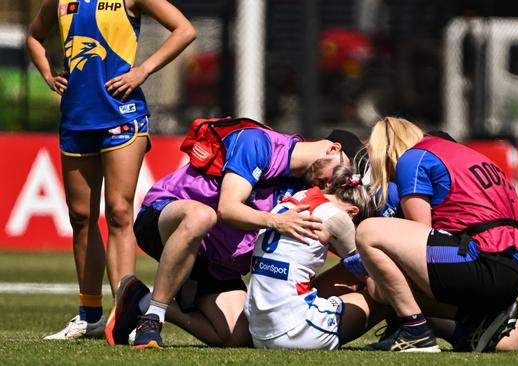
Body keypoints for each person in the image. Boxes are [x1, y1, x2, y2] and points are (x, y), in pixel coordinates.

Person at [107, 120, 364, 348]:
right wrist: (276, 221)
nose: (334, 185)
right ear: (333, 149)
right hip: (166, 218)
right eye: (339, 175)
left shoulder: (305, 185)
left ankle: (139, 299)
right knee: (201, 216)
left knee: (237, 336)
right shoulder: (258, 142)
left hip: (214, 257)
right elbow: (227, 209)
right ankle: (153, 317)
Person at [27, 0, 196, 340]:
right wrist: (47, 74)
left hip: (123, 115)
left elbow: (185, 30)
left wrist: (143, 70)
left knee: (119, 211)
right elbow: (34, 36)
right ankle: (89, 316)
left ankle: (127, 315)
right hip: (76, 119)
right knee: (81, 218)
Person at [354, 117, 518, 352]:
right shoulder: (464, 154)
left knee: (370, 236)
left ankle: (414, 331)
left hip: (481, 260)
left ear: (386, 150)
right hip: (514, 267)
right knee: (509, 341)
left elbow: (420, 231)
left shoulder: (412, 158)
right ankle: (476, 322)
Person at [245, 166, 382, 350]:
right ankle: (410, 331)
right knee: (387, 290)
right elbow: (376, 287)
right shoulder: (339, 218)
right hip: (297, 332)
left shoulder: (299, 198)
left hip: (257, 331)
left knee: (349, 269)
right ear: (353, 212)